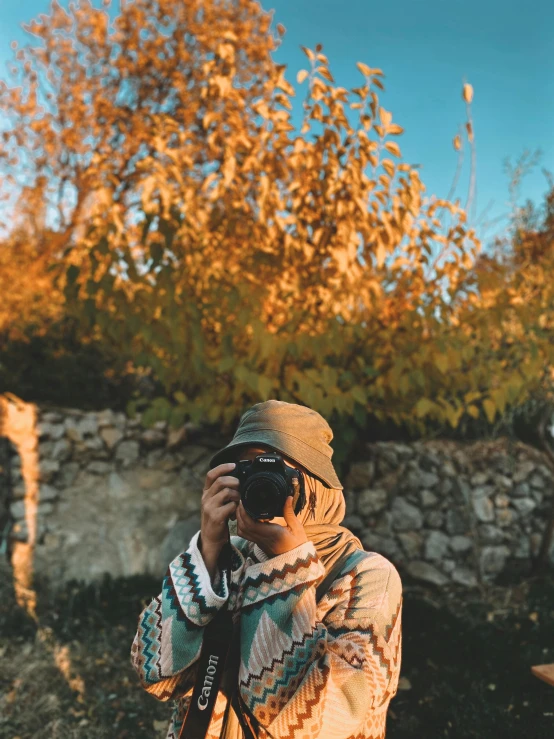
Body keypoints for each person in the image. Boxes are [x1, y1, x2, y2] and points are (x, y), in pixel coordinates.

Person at [131, 400, 403, 739]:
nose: (261, 485)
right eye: (246, 472)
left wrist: (285, 570)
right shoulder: (229, 558)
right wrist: (208, 552)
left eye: (275, 472)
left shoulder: (366, 575)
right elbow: (157, 674)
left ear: (315, 485)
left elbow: (324, 721)